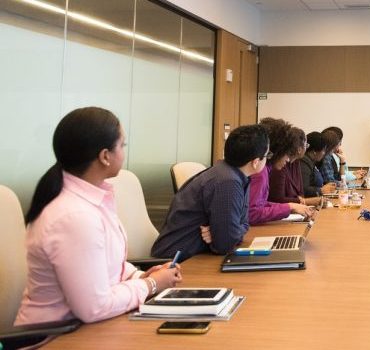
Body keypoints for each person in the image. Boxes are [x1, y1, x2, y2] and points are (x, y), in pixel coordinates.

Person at [16, 107, 181, 326]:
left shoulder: (92, 200)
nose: (124, 151)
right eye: (122, 145)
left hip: (89, 328)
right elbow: (95, 307)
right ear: (105, 156)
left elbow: (107, 265)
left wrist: (139, 276)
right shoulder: (74, 216)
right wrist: (150, 284)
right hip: (56, 337)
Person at [152, 124, 270, 260]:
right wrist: (225, 234)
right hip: (176, 262)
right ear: (255, 162)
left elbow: (244, 223)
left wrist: (221, 232)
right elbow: (225, 244)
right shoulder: (228, 182)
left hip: (194, 255)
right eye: (267, 155)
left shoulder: (235, 175)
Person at [248, 118, 315, 225]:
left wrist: (291, 206)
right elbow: (252, 213)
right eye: (286, 154)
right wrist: (289, 207)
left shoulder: (265, 168)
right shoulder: (260, 172)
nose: (288, 159)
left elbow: (260, 204)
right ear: (278, 151)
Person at [268, 127, 323, 207]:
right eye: (306, 145)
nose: (306, 148)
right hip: (283, 211)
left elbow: (301, 193)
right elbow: (278, 199)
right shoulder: (280, 165)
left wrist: (302, 201)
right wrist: (308, 201)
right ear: (299, 149)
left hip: (296, 210)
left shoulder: (296, 162)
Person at [300, 131, 336, 197]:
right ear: (314, 151)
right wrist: (321, 190)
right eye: (324, 150)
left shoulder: (310, 161)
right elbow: (303, 189)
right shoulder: (304, 162)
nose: (324, 153)